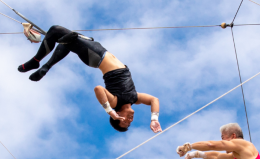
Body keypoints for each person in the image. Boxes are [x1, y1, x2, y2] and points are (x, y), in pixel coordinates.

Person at [17, 24, 161, 133]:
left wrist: (110, 111)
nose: (130, 120)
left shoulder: (116, 101)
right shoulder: (133, 98)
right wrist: (154, 119)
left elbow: (98, 89)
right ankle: (44, 65)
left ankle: (37, 62)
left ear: (118, 115)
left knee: (57, 31)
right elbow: (154, 100)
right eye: (129, 123)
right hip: (99, 52)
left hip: (97, 56)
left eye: (124, 121)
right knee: (65, 40)